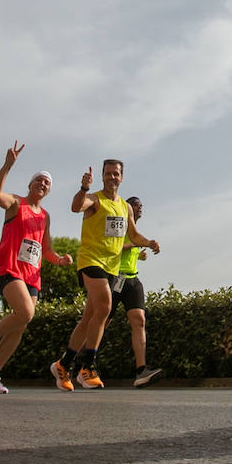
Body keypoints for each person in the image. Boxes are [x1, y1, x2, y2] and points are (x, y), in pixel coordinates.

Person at [0, 144, 71, 394]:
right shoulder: (16, 203)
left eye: (47, 183)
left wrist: (59, 259)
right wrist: (7, 165)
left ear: (49, 190)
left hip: (32, 276)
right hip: (9, 266)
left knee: (21, 324)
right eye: (39, 180)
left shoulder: (45, 216)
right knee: (25, 312)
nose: (43, 184)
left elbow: (45, 248)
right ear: (30, 183)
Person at [51, 160, 158, 391]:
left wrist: (148, 242)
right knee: (105, 307)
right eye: (108, 173)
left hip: (111, 267)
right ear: (102, 176)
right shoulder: (95, 199)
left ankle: (63, 364)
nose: (112, 177)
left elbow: (134, 234)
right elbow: (75, 207)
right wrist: (83, 188)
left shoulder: (125, 207)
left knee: (90, 318)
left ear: (121, 177)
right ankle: (87, 366)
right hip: (91, 260)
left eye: (116, 174)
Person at [105, 196, 163, 388]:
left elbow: (131, 249)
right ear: (128, 208)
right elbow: (111, 247)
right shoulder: (119, 227)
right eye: (136, 204)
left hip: (132, 279)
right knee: (102, 322)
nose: (140, 207)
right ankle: (78, 363)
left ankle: (141, 371)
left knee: (139, 319)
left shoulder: (136, 233)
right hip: (115, 278)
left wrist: (140, 254)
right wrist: (136, 246)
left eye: (141, 205)